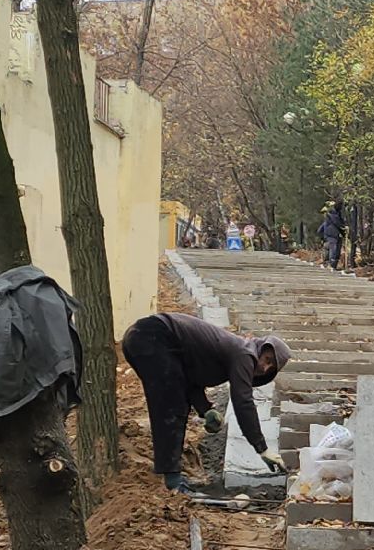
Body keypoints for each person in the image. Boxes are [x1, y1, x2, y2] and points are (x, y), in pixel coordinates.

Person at [120, 313, 292, 494]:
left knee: (175, 399)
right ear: (260, 350)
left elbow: (188, 377)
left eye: (271, 369)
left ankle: (173, 476)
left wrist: (205, 409)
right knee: (171, 405)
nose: (265, 368)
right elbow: (243, 401)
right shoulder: (245, 354)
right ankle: (173, 481)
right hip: (153, 336)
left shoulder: (236, 353)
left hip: (144, 337)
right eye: (267, 360)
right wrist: (262, 448)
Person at [319, 200, 345, 270]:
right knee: (333, 250)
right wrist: (343, 228)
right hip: (332, 235)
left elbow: (321, 228)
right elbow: (337, 223)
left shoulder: (337, 214)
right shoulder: (332, 214)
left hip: (335, 235)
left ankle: (332, 265)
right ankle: (331, 265)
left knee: (335, 251)